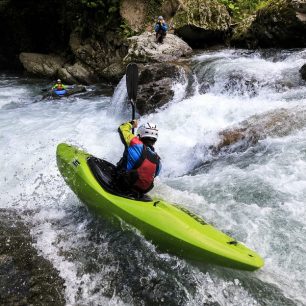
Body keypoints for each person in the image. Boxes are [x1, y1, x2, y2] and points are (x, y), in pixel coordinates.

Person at [116, 120, 161, 195]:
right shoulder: (158, 160)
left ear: (139, 136)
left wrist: (131, 124)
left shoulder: (134, 142)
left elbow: (122, 128)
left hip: (121, 185)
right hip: (140, 192)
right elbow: (153, 175)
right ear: (155, 140)